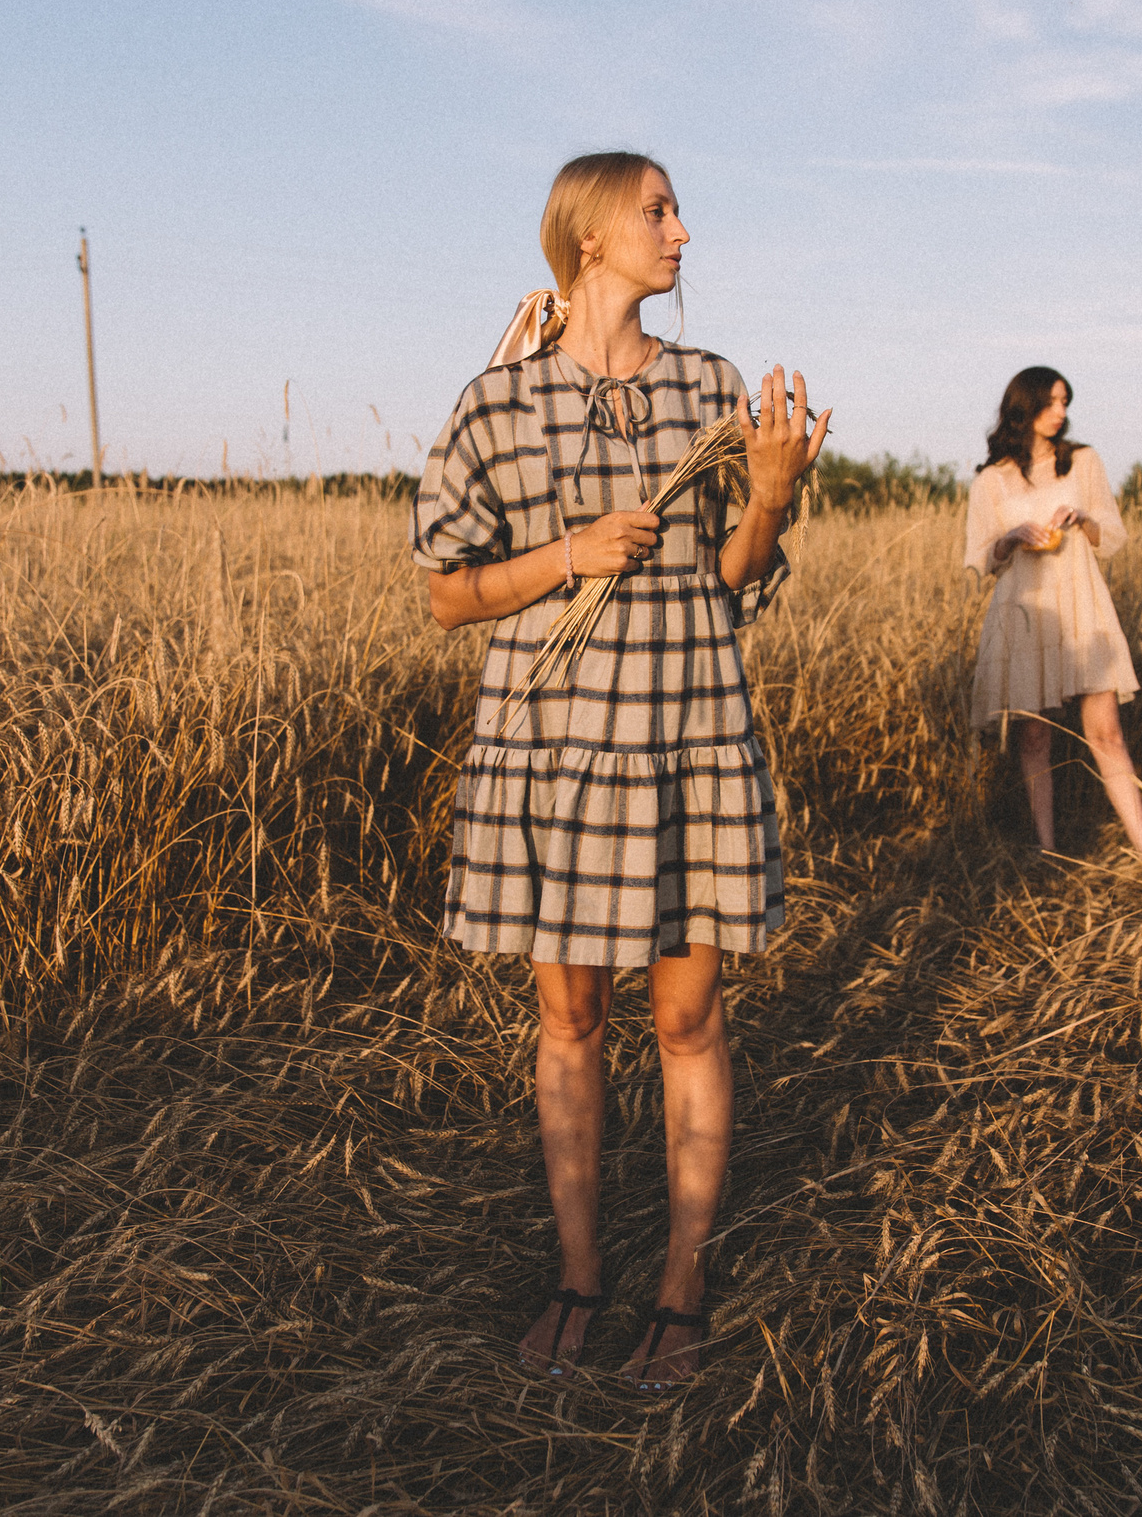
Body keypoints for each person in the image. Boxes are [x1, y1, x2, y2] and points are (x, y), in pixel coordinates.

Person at [413, 151, 830, 1390]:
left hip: (688, 726)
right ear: (587, 236)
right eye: (657, 212)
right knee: (570, 1016)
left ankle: (683, 1290)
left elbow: (735, 577)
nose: (683, 233)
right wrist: (568, 555)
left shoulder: (711, 387)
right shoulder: (498, 400)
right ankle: (578, 1278)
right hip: (552, 748)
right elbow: (447, 596)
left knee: (688, 1018)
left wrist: (766, 495)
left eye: (676, 213)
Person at [962, 366, 1142, 858]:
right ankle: (1048, 851)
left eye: (1065, 402)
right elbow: (980, 557)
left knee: (1106, 730)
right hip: (1025, 611)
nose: (1061, 413)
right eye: (1051, 402)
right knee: (1033, 737)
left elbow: (1111, 534)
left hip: (1083, 603)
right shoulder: (990, 480)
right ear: (1023, 407)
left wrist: (1083, 518)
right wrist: (1009, 538)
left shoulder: (1083, 462)